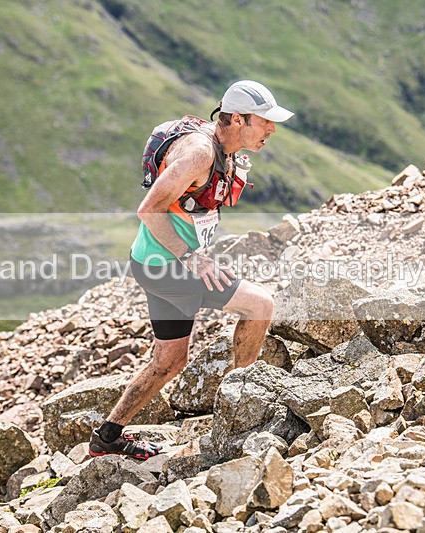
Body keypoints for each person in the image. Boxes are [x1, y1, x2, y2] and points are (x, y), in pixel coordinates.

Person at [89, 80, 295, 459]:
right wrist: (192, 257)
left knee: (169, 361)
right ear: (237, 119)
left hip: (148, 262)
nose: (272, 130)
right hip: (168, 266)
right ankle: (240, 409)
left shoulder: (222, 147)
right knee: (261, 305)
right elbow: (148, 209)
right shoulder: (200, 154)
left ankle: (107, 436)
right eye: (264, 121)